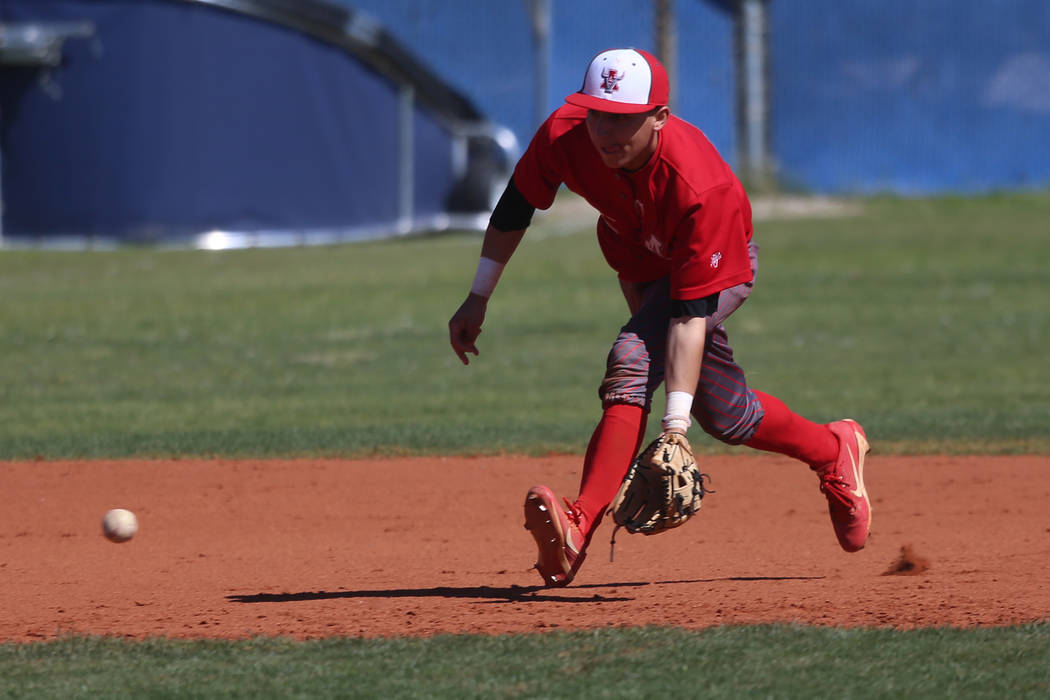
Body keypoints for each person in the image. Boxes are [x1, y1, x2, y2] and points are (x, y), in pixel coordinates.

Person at [448, 48, 870, 588]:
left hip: (715, 266)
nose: (607, 130)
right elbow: (515, 206)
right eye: (598, 113)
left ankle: (577, 527)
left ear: (659, 118)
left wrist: (674, 430)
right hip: (638, 254)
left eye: (625, 119)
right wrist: (478, 296)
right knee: (726, 413)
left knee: (634, 358)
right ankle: (834, 450)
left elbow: (689, 314)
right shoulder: (564, 135)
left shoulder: (700, 187)